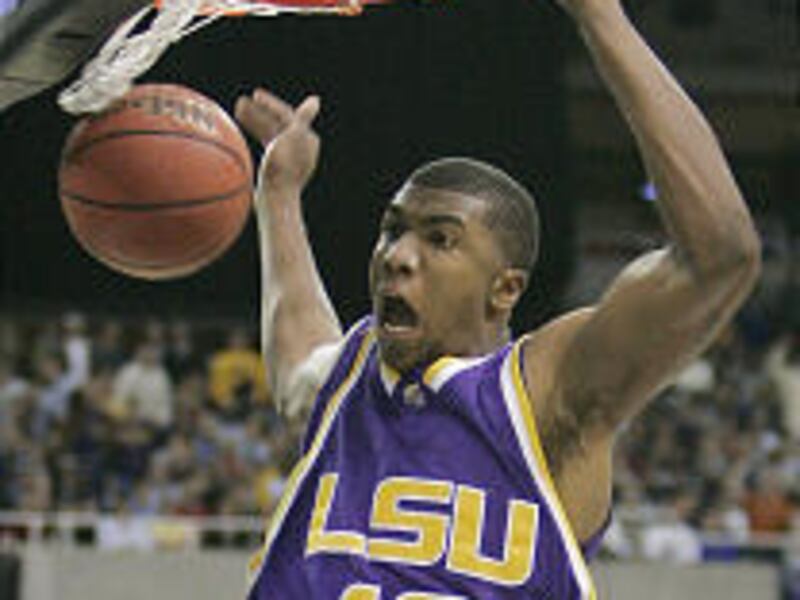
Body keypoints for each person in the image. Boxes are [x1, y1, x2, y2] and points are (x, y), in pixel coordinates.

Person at [235, 0, 761, 598]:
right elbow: (298, 350)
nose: (398, 255)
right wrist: (278, 193)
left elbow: (720, 257)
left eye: (440, 239)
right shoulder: (348, 378)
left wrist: (601, 18)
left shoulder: (546, 392)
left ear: (505, 288)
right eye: (392, 230)